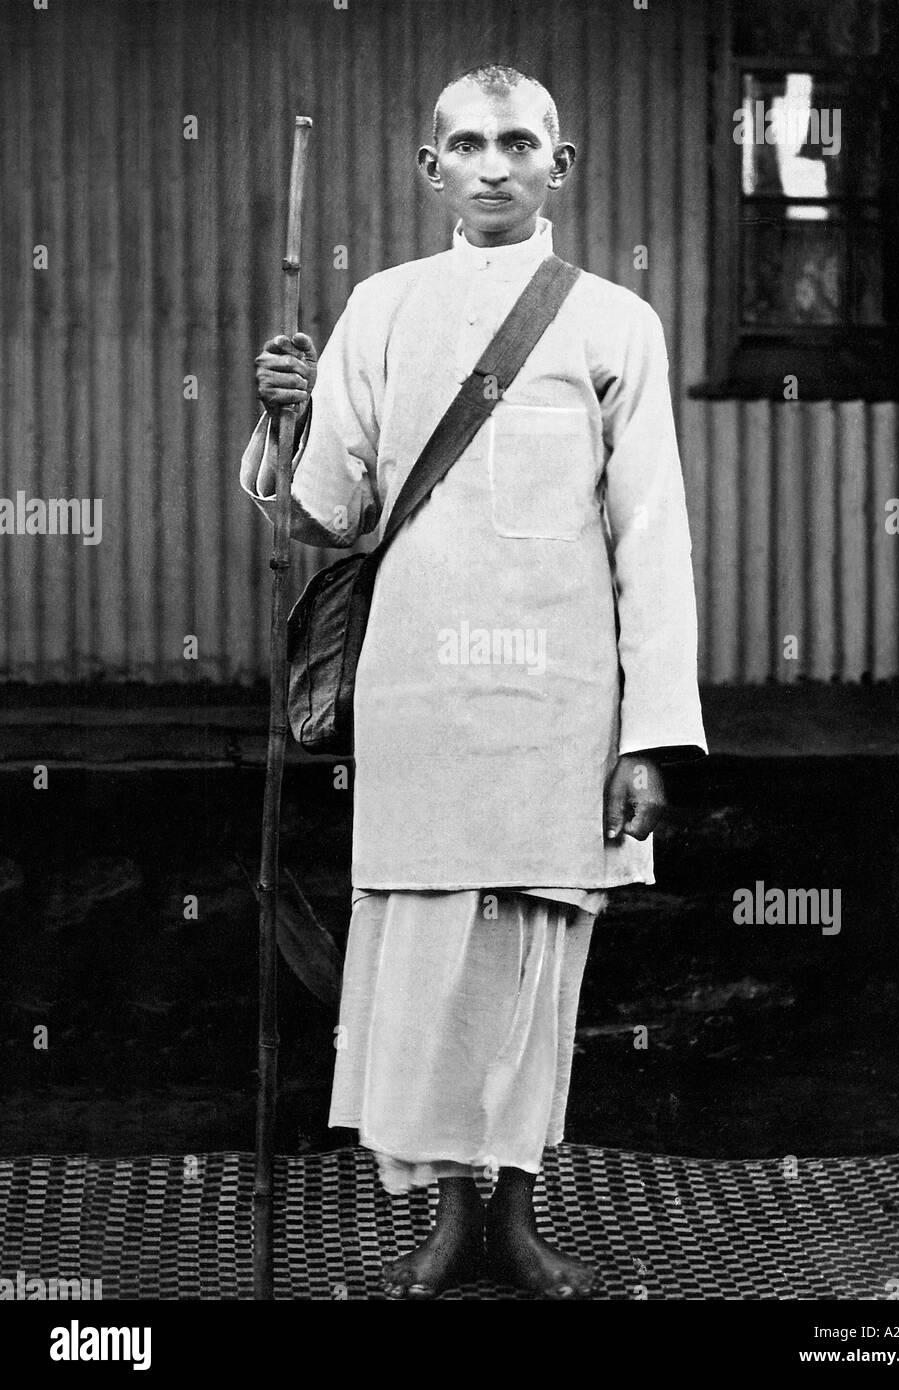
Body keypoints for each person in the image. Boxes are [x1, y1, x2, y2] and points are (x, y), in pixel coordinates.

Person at [242, 64, 707, 1300]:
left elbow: (650, 536)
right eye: (466, 143)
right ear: (429, 168)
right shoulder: (382, 310)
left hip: (563, 706)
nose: (492, 164)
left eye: (517, 142)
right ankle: (453, 1225)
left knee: (536, 968)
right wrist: (283, 413)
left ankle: (521, 1222)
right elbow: (325, 514)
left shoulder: (616, 324)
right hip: (421, 697)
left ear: (561, 164)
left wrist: (650, 734)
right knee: (436, 969)